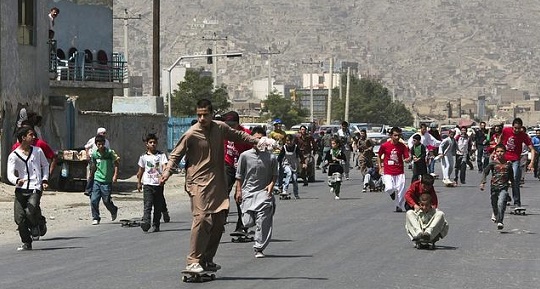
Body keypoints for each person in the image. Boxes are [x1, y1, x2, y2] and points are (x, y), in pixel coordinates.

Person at [159, 99, 259, 273]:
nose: (202, 118)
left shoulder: (220, 128)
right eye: (199, 115)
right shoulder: (192, 133)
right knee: (202, 218)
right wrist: (167, 172)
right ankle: (193, 260)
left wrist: (258, 141)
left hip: (217, 183)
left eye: (205, 114)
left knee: (219, 223)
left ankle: (206, 259)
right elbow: (176, 154)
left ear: (212, 114)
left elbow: (239, 136)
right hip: (197, 183)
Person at [234, 127, 278, 258]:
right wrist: (238, 191)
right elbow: (239, 175)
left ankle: (259, 247)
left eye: (261, 138)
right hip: (248, 193)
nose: (259, 141)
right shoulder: (245, 156)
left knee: (263, 221)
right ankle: (251, 224)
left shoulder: (271, 157)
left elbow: (275, 174)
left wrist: (271, 184)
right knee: (247, 222)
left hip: (264, 193)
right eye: (256, 138)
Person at [7, 127, 50, 251]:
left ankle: (39, 223)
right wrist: (16, 180)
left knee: (30, 211)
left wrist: (45, 179)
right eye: (31, 135)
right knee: (19, 218)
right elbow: (10, 173)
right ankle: (26, 242)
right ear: (23, 138)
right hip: (20, 189)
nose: (34, 137)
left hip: (35, 187)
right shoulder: (13, 155)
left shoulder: (37, 151)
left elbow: (45, 165)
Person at [222, 111, 253, 233]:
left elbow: (251, 154)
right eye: (227, 124)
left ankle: (241, 225)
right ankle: (221, 220)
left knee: (239, 196)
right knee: (222, 192)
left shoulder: (245, 134)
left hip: (243, 167)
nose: (230, 127)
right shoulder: (223, 133)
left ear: (237, 124)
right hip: (228, 164)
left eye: (232, 124)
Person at [498, 118, 535, 207]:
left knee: (515, 180)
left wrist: (532, 163)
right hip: (505, 159)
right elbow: (500, 138)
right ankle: (505, 196)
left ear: (521, 127)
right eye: (515, 128)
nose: (516, 130)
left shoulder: (523, 135)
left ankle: (517, 202)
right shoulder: (506, 130)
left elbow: (532, 149)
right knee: (502, 179)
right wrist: (497, 150)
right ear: (512, 126)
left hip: (515, 159)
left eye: (518, 128)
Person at [136, 133, 168, 233]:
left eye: (154, 142)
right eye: (150, 142)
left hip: (158, 184)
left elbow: (165, 167)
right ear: (147, 144)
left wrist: (164, 177)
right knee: (147, 205)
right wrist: (139, 182)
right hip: (147, 184)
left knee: (157, 206)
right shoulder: (143, 157)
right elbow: (140, 170)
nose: (153, 144)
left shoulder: (161, 155)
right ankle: (146, 222)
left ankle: (156, 224)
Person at [377, 127, 411, 212]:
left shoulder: (402, 146)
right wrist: (380, 167)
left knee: (401, 191)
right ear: (391, 135)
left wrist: (408, 160)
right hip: (388, 171)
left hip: (399, 172)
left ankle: (398, 206)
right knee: (389, 188)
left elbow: (407, 157)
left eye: (399, 135)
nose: (397, 137)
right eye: (395, 135)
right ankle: (392, 194)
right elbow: (379, 155)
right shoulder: (385, 146)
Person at [480, 144, 513, 230]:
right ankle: (496, 215)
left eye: (501, 151)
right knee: (494, 204)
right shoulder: (493, 163)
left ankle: (500, 221)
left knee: (501, 203)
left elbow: (511, 176)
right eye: (498, 151)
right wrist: (483, 182)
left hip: (504, 187)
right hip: (494, 187)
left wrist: (513, 185)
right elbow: (485, 172)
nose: (500, 153)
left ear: (505, 152)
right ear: (495, 152)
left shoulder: (508, 164)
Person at [88, 135, 119, 225]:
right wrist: (91, 175)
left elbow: (116, 163)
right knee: (94, 200)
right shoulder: (94, 154)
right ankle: (96, 217)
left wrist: (115, 175)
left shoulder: (110, 153)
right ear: (96, 145)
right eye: (99, 144)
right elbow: (93, 165)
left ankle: (113, 210)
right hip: (97, 180)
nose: (101, 146)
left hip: (107, 181)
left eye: (102, 144)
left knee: (106, 200)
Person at [84, 128, 110, 196]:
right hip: (94, 159)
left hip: (103, 160)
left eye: (105, 133)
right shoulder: (93, 140)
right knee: (92, 174)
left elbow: (108, 150)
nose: (104, 134)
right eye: (103, 133)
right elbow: (86, 147)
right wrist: (87, 155)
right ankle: (88, 189)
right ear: (99, 133)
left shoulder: (106, 141)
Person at [278, 134, 305, 199]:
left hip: (294, 165)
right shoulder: (284, 148)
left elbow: (301, 155)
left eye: (290, 140)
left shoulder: (296, 147)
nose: (289, 142)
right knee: (289, 173)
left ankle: (296, 194)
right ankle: (284, 190)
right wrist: (277, 163)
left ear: (293, 141)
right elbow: (280, 157)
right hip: (286, 164)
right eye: (287, 140)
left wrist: (303, 163)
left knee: (295, 179)